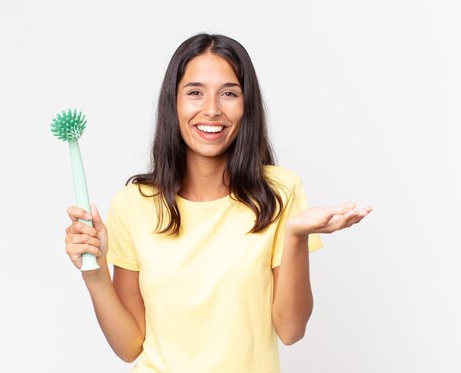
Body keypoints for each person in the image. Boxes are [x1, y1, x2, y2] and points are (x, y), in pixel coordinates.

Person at [63, 33, 372, 372]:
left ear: (246, 104)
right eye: (195, 93)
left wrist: (295, 236)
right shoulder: (133, 204)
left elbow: (291, 329)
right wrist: (94, 273)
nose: (211, 110)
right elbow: (128, 346)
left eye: (229, 94)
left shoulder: (279, 192)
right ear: (174, 103)